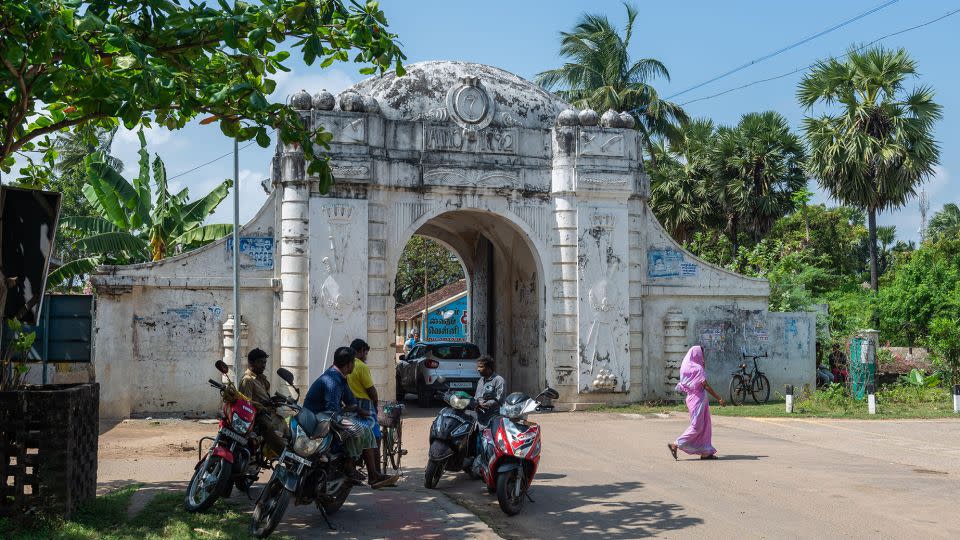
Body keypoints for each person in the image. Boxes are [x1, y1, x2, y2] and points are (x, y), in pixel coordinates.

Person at [303, 347, 394, 489]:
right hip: (319, 420)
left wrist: (362, 411)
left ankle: (373, 475)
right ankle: (349, 466)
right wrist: (347, 411)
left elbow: (351, 401)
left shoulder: (340, 377)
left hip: (328, 417)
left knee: (367, 431)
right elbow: (332, 410)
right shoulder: (332, 380)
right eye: (353, 362)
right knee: (358, 430)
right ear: (349, 364)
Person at [668, 345, 724, 460]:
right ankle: (676, 444)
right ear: (697, 354)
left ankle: (706, 452)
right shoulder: (698, 368)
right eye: (701, 354)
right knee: (697, 427)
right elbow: (706, 386)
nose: (703, 356)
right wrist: (719, 398)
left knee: (705, 426)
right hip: (698, 400)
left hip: (692, 398)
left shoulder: (686, 368)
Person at [238, 347, 287, 456]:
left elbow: (264, 398)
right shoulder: (248, 380)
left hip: (271, 413)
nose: (264, 365)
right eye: (260, 362)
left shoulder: (261, 379)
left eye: (264, 362)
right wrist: (264, 405)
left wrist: (273, 401)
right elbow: (246, 403)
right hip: (260, 416)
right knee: (276, 438)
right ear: (251, 362)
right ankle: (285, 457)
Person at [347, 339, 382, 457]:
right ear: (361, 351)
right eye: (366, 353)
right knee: (375, 437)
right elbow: (371, 391)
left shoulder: (345, 364)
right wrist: (375, 405)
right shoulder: (361, 366)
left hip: (348, 404)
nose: (366, 356)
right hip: (364, 404)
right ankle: (376, 472)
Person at [474, 355, 505, 428]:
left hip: (493, 418)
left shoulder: (498, 380)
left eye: (481, 367)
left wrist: (486, 404)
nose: (478, 369)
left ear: (488, 368)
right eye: (478, 367)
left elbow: (500, 399)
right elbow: (476, 397)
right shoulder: (481, 380)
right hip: (479, 417)